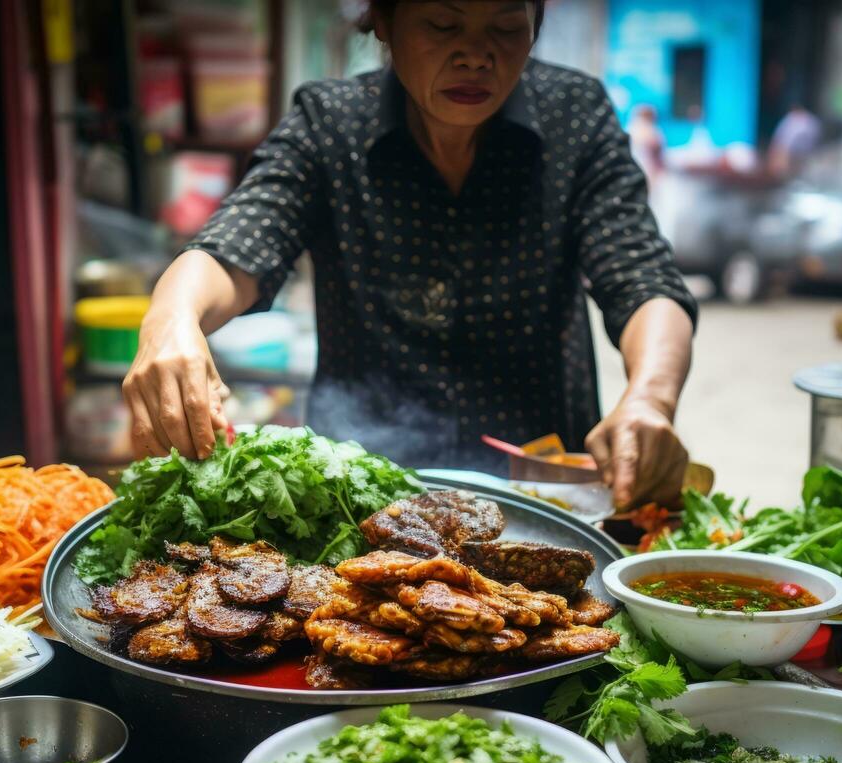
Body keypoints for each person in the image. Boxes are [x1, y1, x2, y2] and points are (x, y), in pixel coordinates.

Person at [124, 1, 697, 511]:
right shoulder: (331, 122)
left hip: (541, 499)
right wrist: (171, 318)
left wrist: (649, 398)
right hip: (359, 500)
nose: (476, 55)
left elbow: (643, 277)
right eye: (443, 24)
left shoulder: (575, 116)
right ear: (384, 20)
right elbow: (241, 242)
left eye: (505, 27)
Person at [627, 104, 665, 189]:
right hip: (646, 169)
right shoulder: (650, 131)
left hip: (639, 170)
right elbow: (656, 150)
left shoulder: (630, 129)